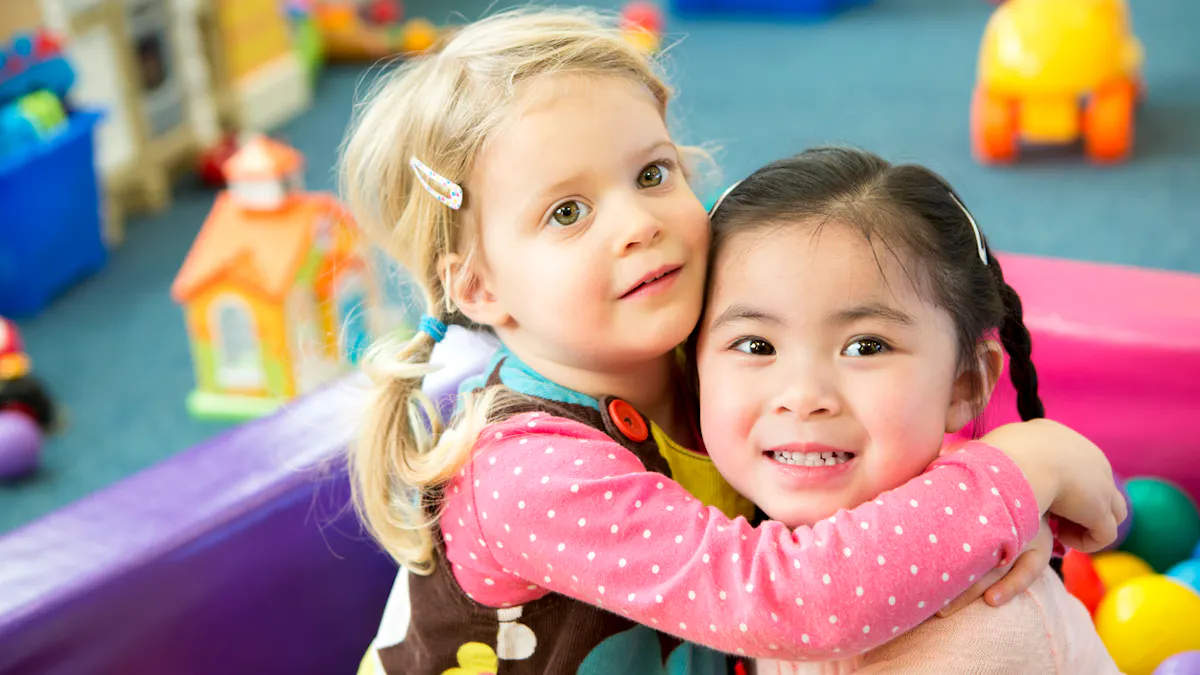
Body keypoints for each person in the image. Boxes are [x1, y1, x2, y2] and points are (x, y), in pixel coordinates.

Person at [339, 8, 1126, 674]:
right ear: (478, 286)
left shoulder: (711, 343)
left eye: (650, 174)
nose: (638, 223)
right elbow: (787, 599)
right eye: (567, 213)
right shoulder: (528, 472)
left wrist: (988, 514)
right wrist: (1015, 474)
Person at [695, 147, 1121, 674]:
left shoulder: (986, 628)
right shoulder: (721, 522)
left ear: (962, 384)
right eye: (756, 346)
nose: (803, 395)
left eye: (866, 347)